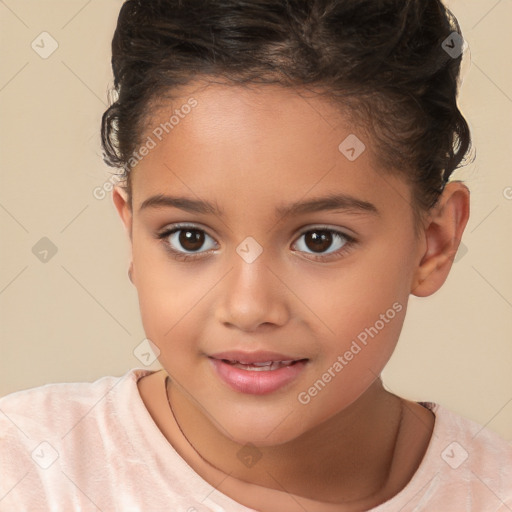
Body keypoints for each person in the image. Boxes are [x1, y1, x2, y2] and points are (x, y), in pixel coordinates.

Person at [1, 1, 511, 511]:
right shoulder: (27, 473)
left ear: (434, 243)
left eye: (319, 240)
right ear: (131, 229)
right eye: (189, 238)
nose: (247, 308)